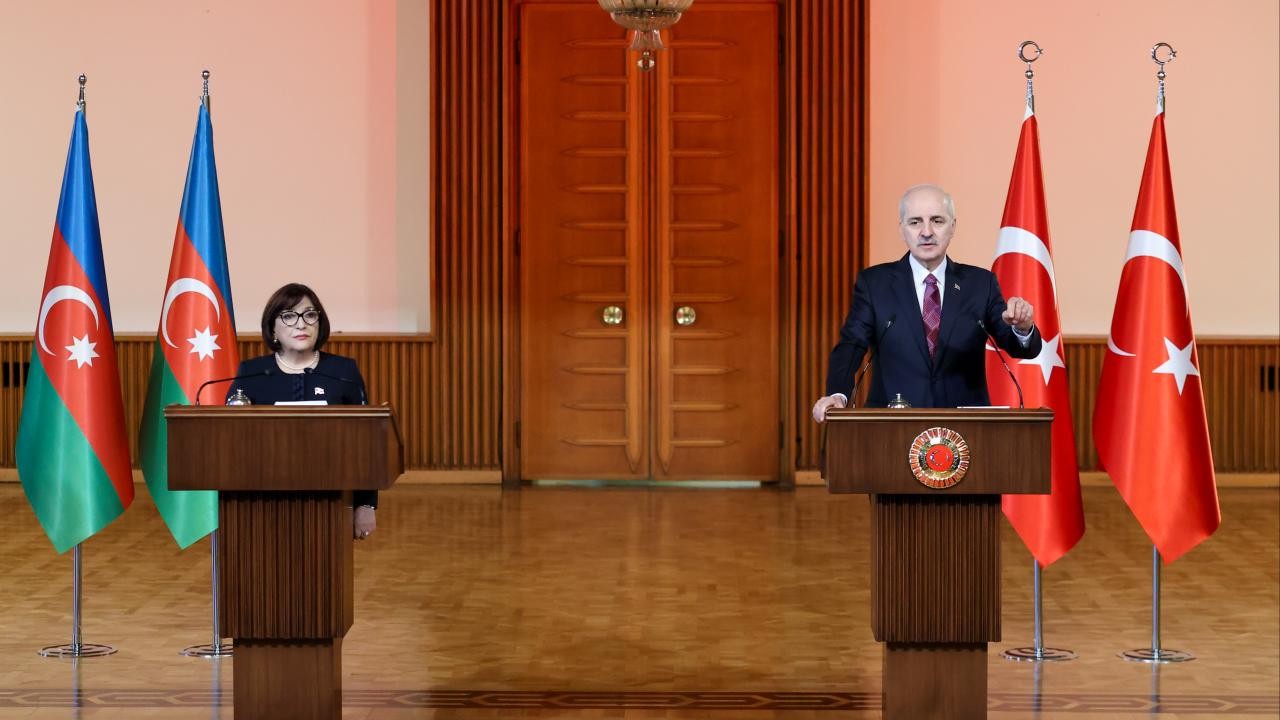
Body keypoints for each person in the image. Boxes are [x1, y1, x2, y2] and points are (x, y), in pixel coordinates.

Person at [813, 184, 1041, 421]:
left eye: (937, 221)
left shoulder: (980, 284)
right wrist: (837, 394)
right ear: (902, 229)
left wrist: (1023, 328)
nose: (926, 232)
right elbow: (851, 344)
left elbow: (1019, 347)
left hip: (966, 427)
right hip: (893, 424)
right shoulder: (874, 283)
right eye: (915, 222)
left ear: (953, 226)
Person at [227, 282, 378, 539]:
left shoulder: (343, 372)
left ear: (319, 322)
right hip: (259, 504)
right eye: (289, 316)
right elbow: (229, 441)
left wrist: (366, 503)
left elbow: (365, 442)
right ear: (272, 328)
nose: (301, 324)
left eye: (309, 315)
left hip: (331, 501)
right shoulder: (251, 373)